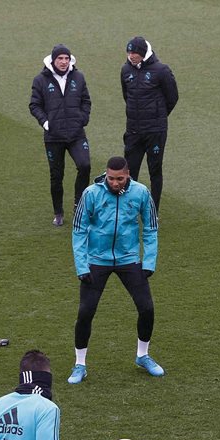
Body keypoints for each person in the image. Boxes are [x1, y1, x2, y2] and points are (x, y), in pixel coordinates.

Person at [69, 157, 163, 382]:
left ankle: (143, 355)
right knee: (85, 313)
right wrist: (82, 265)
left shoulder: (141, 193)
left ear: (128, 174)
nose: (115, 183)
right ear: (106, 175)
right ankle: (79, 364)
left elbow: (151, 227)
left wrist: (148, 262)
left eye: (119, 179)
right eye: (111, 178)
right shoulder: (91, 193)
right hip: (97, 260)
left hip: (128, 258)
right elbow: (79, 230)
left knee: (147, 308)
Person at [29, 44, 92, 226]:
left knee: (85, 165)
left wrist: (82, 119)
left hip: (76, 134)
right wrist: (46, 123)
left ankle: (79, 205)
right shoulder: (40, 80)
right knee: (56, 175)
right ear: (53, 60)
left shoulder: (78, 77)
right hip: (54, 137)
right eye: (60, 59)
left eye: (66, 58)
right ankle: (58, 212)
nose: (64, 62)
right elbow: (34, 105)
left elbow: (86, 101)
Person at [122, 36, 178, 208]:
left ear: (143, 53)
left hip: (155, 131)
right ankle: (129, 208)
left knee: (155, 169)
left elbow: (172, 97)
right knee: (129, 172)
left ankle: (154, 209)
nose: (131, 56)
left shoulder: (161, 70)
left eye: (135, 53)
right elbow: (127, 96)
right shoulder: (125, 70)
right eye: (129, 52)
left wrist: (158, 116)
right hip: (133, 130)